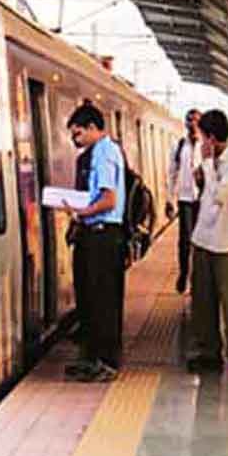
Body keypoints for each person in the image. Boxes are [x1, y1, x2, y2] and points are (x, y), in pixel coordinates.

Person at [62, 103, 126, 383]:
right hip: (92, 234)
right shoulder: (94, 154)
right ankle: (91, 357)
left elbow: (108, 199)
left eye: (77, 134)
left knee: (103, 300)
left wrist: (79, 212)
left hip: (104, 235)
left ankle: (107, 362)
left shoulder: (105, 153)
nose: (75, 140)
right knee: (89, 298)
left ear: (91, 128)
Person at [187, 110, 228, 375]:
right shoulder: (211, 162)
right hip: (203, 238)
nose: (201, 143)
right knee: (202, 299)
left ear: (212, 138)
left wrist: (206, 166)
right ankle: (208, 351)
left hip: (226, 242)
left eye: (203, 137)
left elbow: (219, 195)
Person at [165, 108, 202, 293]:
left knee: (201, 240)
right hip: (185, 198)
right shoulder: (179, 146)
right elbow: (172, 173)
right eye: (190, 121)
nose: (192, 124)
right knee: (185, 239)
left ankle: (197, 277)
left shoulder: (207, 146)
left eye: (196, 120)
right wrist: (169, 198)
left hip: (203, 199)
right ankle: (183, 273)